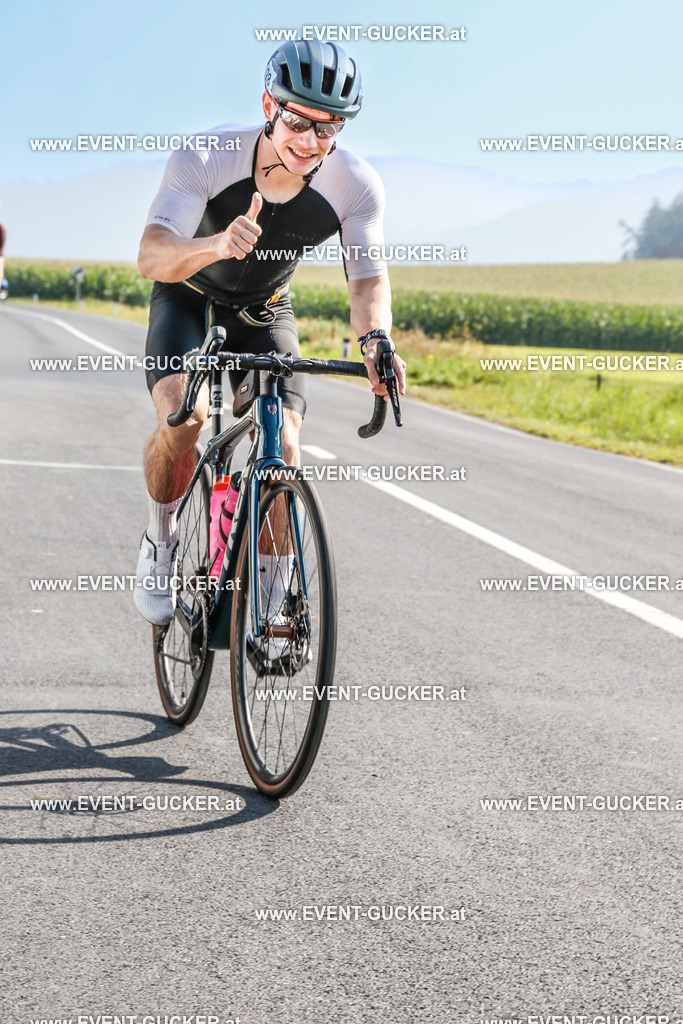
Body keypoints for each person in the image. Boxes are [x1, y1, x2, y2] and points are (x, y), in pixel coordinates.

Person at [135, 39, 406, 625]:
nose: (310, 143)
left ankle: (277, 600)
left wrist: (376, 340)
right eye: (296, 122)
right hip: (190, 297)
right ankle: (161, 542)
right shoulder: (208, 155)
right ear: (268, 104)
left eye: (328, 129)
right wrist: (213, 244)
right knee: (187, 418)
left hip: (264, 309)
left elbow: (366, 284)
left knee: (281, 446)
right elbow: (152, 256)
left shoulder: (356, 185)